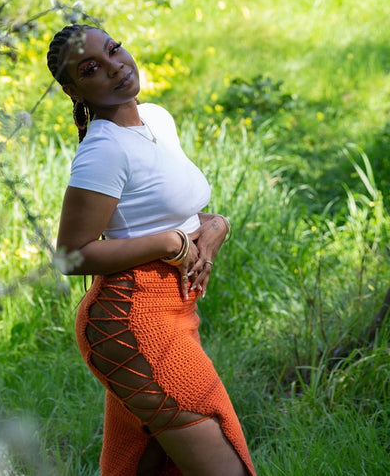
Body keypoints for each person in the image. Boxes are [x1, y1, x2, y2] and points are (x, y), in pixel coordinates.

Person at [47, 24, 256, 476]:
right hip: (130, 321)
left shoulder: (157, 119)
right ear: (73, 89)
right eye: (91, 69)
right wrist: (168, 244)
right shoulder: (103, 150)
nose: (116, 68)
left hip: (175, 310)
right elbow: (71, 255)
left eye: (114, 50)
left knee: (148, 467)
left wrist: (216, 225)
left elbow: (170, 213)